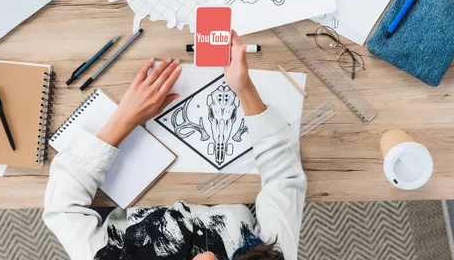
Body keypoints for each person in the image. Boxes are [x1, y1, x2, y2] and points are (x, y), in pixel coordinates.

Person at [43, 31, 307, 260]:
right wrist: (245, 88)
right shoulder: (272, 254)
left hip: (131, 196)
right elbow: (284, 178)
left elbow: (61, 209)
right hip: (234, 195)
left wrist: (125, 118)